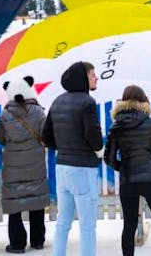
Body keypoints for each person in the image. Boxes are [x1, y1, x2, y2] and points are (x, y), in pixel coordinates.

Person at [105, 85, 151, 256]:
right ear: (144, 100)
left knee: (129, 226)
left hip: (128, 180)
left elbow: (109, 158)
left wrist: (122, 168)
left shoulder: (116, 127)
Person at [42, 62, 103, 256]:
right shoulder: (87, 102)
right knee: (87, 224)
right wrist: (99, 150)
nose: (96, 78)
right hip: (83, 167)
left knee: (63, 221)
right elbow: (92, 133)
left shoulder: (58, 101)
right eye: (93, 74)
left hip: (62, 166)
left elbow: (46, 135)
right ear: (83, 78)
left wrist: (62, 147)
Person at [0, 76, 49, 254]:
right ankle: (38, 240)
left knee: (14, 203)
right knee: (36, 199)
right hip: (35, 161)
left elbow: (0, 138)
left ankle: (17, 244)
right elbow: (45, 135)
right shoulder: (38, 112)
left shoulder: (4, 114)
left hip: (13, 163)